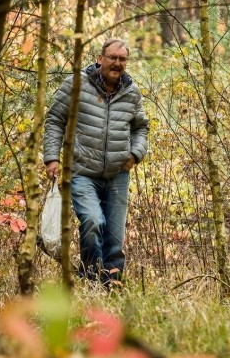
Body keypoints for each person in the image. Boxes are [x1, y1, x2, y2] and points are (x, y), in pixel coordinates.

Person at [43, 38, 150, 284]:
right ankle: (91, 280)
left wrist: (136, 154)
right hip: (82, 171)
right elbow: (55, 120)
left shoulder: (131, 92)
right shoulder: (76, 85)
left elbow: (141, 128)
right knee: (92, 221)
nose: (117, 63)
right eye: (112, 57)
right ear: (100, 58)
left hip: (118, 174)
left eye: (122, 59)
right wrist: (52, 158)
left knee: (114, 237)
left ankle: (112, 285)